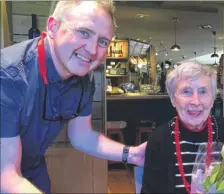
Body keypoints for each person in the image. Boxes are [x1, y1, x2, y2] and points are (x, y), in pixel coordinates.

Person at [0, 1, 146, 193]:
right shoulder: (8, 74)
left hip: (33, 171)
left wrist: (132, 154)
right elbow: (7, 176)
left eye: (103, 41)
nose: (93, 51)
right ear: (53, 27)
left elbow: (81, 135)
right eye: (84, 32)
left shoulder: (84, 77)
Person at [141, 61, 224, 194]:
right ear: (172, 98)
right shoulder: (159, 138)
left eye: (203, 91)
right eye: (186, 91)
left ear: (212, 98)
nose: (196, 101)